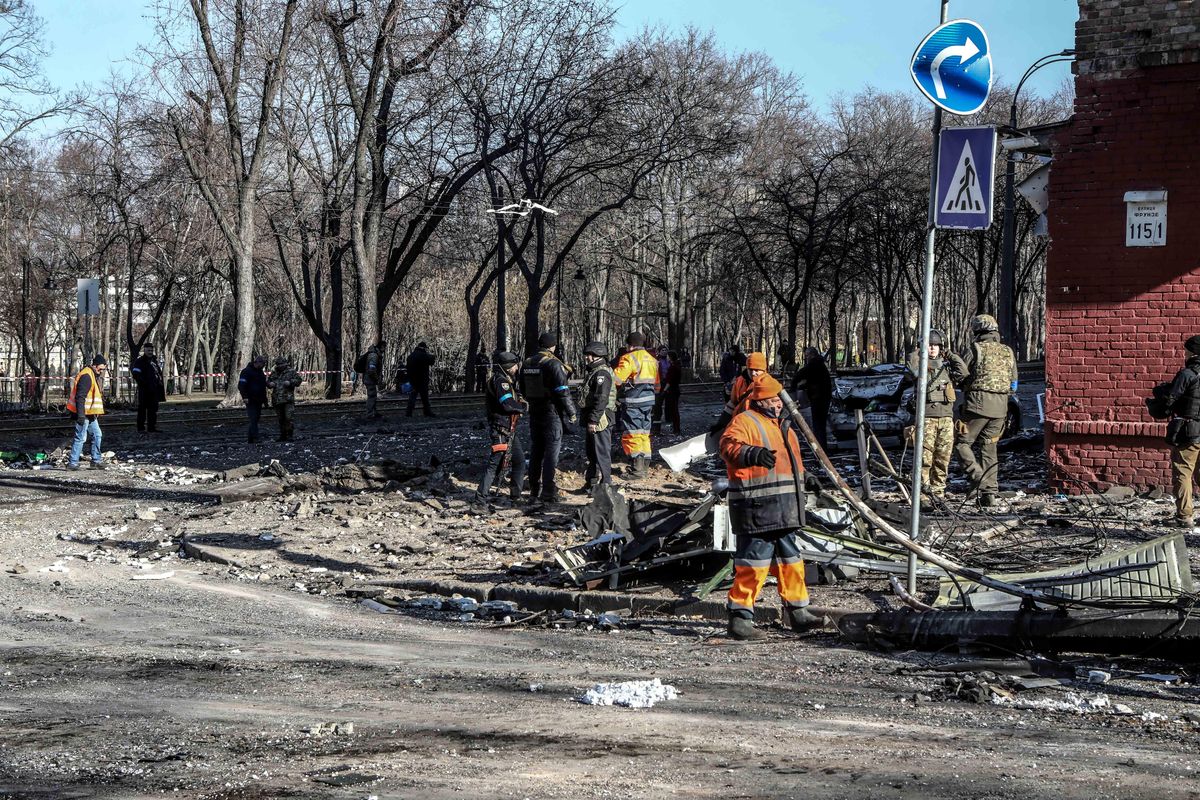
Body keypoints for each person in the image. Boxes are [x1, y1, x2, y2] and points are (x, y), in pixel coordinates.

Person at [718, 373, 822, 640]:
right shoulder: (745, 421)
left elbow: (790, 464)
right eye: (773, 399)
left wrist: (806, 477)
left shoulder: (784, 427)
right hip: (756, 507)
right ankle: (740, 619)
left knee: (791, 562)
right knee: (752, 564)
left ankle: (798, 612)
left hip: (783, 508)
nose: (778, 403)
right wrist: (751, 454)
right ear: (761, 400)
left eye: (779, 399)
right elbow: (727, 447)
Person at [954, 313, 1018, 508]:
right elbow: (1014, 383)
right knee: (989, 448)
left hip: (977, 405)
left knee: (962, 443)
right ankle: (989, 494)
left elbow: (961, 372)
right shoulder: (1007, 351)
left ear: (977, 331)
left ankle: (978, 478)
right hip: (1001, 408)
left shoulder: (975, 349)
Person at [906, 331, 967, 503]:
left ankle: (938, 494)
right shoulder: (920, 367)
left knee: (942, 459)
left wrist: (950, 354)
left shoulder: (946, 368)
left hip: (946, 419)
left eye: (936, 345)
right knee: (924, 459)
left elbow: (963, 371)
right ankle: (923, 495)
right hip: (927, 419)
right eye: (929, 345)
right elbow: (911, 366)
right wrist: (919, 350)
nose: (932, 348)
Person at [520, 332, 578, 503]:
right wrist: (571, 412)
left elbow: (522, 388)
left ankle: (534, 490)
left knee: (536, 451)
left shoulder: (527, 363)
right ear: (553, 346)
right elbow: (562, 391)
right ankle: (548, 492)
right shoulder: (553, 363)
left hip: (535, 412)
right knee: (551, 454)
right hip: (551, 413)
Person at [477, 351, 528, 503]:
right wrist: (523, 407)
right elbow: (507, 404)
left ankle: (516, 495)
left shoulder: (504, 380)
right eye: (515, 365)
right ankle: (479, 500)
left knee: (519, 461)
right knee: (494, 466)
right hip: (501, 429)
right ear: (508, 366)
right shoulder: (501, 381)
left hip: (507, 429)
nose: (517, 368)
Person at [1164, 335, 1200, 528]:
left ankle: (1184, 516)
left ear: (1192, 352)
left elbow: (1171, 400)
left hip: (1190, 431)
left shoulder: (1187, 374)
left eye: (1186, 350)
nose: (1184, 353)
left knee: (1183, 472)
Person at [613, 332, 660, 478]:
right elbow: (657, 385)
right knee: (644, 433)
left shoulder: (629, 358)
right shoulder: (653, 360)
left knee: (632, 433)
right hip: (649, 402)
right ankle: (644, 466)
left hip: (633, 402)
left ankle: (637, 470)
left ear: (630, 345)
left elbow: (617, 379)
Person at [579, 340, 617, 492]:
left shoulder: (602, 373)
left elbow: (602, 398)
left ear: (597, 355)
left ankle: (606, 484)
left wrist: (594, 420)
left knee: (601, 452)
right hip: (594, 416)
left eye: (589, 355)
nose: (586, 357)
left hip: (601, 417)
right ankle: (592, 483)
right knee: (592, 452)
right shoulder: (595, 371)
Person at [66, 354, 108, 471]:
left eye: (103, 369)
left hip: (89, 413)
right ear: (95, 365)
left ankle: (96, 461)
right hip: (83, 413)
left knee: (97, 435)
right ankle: (72, 463)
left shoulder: (91, 374)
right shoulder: (86, 376)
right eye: (101, 368)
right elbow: (80, 397)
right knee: (80, 437)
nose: (102, 371)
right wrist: (80, 415)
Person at [710, 351, 768, 435]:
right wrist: (721, 424)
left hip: (759, 429)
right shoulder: (739, 381)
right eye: (750, 369)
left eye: (756, 370)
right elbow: (732, 404)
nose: (753, 373)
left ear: (763, 370)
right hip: (739, 426)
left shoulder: (769, 385)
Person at [791, 347, 833, 452]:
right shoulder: (820, 365)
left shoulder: (813, 364)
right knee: (821, 425)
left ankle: (820, 450)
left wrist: (793, 387)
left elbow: (799, 375)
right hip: (824, 397)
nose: (806, 358)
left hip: (818, 398)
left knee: (818, 425)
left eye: (807, 356)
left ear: (811, 355)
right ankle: (822, 448)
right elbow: (815, 380)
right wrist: (804, 386)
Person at [131, 343, 165, 433]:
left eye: (151, 350)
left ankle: (151, 427)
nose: (150, 352)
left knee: (153, 410)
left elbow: (157, 373)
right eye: (148, 350)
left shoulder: (154, 361)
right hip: (144, 390)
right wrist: (144, 384)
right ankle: (141, 428)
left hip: (154, 389)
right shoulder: (140, 361)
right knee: (142, 409)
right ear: (144, 350)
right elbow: (136, 374)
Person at [268, 356, 303, 442]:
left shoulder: (291, 372)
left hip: (288, 399)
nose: (280, 366)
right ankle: (283, 435)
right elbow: (268, 382)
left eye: (282, 364)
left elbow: (299, 381)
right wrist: (270, 384)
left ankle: (290, 435)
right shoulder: (274, 373)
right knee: (281, 419)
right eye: (278, 364)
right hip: (277, 399)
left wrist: (290, 382)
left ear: (285, 364)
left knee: (288, 418)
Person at [238, 355, 269, 443]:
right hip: (250, 399)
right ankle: (255, 438)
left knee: (255, 419)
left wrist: (265, 401)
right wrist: (245, 397)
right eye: (263, 364)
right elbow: (241, 385)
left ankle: (251, 439)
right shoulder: (246, 371)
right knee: (253, 419)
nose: (263, 366)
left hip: (259, 399)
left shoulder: (260, 372)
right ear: (257, 362)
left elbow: (262, 387)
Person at [406, 342, 436, 417]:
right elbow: (431, 361)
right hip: (422, 380)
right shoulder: (423, 355)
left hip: (413, 380)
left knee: (412, 397)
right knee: (425, 398)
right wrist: (431, 354)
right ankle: (427, 412)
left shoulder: (410, 356)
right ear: (424, 347)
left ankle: (409, 412)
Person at [358, 342, 384, 419]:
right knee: (372, 396)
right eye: (384, 347)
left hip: (370, 379)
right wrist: (377, 379)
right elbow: (371, 370)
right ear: (381, 347)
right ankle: (369, 413)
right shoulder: (373, 356)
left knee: (373, 396)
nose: (384, 349)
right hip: (370, 380)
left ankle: (373, 412)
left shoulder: (374, 354)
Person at [662, 350, 683, 435]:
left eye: (668, 356)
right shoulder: (676, 366)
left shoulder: (673, 368)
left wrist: (664, 390)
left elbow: (669, 381)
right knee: (674, 410)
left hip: (672, 390)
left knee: (674, 410)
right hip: (675, 389)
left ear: (670, 357)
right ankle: (676, 428)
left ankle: (676, 429)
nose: (666, 357)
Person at [651, 346, 671, 434]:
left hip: (667, 383)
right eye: (663, 350)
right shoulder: (657, 361)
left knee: (668, 403)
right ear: (659, 351)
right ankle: (655, 425)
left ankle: (668, 419)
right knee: (657, 404)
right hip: (660, 383)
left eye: (666, 350)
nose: (665, 351)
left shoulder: (668, 361)